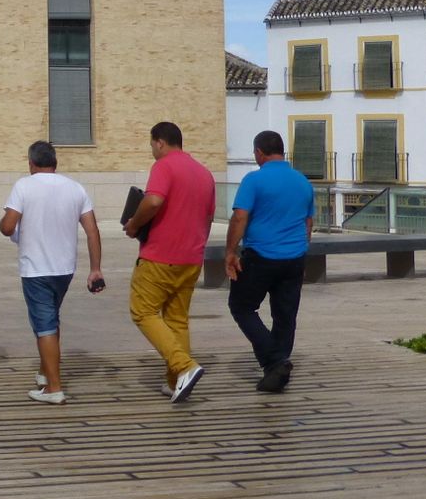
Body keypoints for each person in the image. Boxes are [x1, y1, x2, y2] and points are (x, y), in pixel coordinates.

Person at [0, 141, 104, 404]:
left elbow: (8, 227)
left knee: (44, 325)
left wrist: (6, 222)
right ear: (55, 163)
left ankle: (54, 388)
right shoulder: (75, 188)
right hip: (65, 268)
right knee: (51, 319)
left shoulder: (24, 185)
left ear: (31, 163)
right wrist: (95, 269)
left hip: (36, 268)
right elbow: (92, 231)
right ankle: (46, 373)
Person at [123, 121, 215, 403]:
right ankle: (175, 381)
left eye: (152, 145)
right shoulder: (204, 173)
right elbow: (208, 217)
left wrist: (134, 225)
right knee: (177, 319)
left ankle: (184, 365)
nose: (152, 150)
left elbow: (152, 201)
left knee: (143, 312)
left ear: (160, 142)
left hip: (160, 256)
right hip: (191, 257)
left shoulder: (164, 166)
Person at [224, 129, 315, 392]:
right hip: (295, 257)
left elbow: (240, 217)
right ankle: (278, 369)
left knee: (241, 306)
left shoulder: (254, 180)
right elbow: (308, 223)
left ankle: (275, 361)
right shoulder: (302, 181)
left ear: (259, 152)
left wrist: (230, 251)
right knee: (285, 315)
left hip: (261, 256)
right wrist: (301, 251)